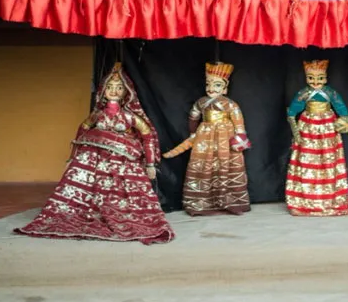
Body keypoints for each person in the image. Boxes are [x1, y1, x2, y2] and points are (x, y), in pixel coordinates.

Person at [16, 63, 174, 245]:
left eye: (119, 88)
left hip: (122, 163)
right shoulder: (97, 115)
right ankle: (86, 212)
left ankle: (121, 215)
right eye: (110, 87)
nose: (114, 91)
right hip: (93, 159)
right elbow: (82, 130)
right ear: (103, 90)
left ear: (127, 92)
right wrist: (72, 157)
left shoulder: (131, 117)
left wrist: (150, 164)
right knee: (86, 191)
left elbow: (147, 136)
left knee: (124, 197)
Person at [164, 62, 251, 216]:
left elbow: (239, 123)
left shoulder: (230, 105)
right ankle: (201, 203)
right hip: (204, 136)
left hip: (225, 137)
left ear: (225, 88)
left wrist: (240, 138)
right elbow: (193, 117)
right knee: (203, 165)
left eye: (217, 85)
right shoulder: (201, 102)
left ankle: (230, 202)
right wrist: (193, 134)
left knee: (226, 164)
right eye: (208, 84)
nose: (211, 88)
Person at [285, 60, 348, 216]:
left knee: (329, 157)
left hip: (328, 126)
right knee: (306, 156)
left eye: (320, 78)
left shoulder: (330, 93)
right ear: (306, 78)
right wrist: (291, 118)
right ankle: (303, 199)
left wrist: (345, 119)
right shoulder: (304, 93)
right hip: (307, 126)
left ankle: (330, 197)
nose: (315, 82)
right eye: (311, 78)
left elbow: (340, 106)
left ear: (326, 78)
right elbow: (294, 108)